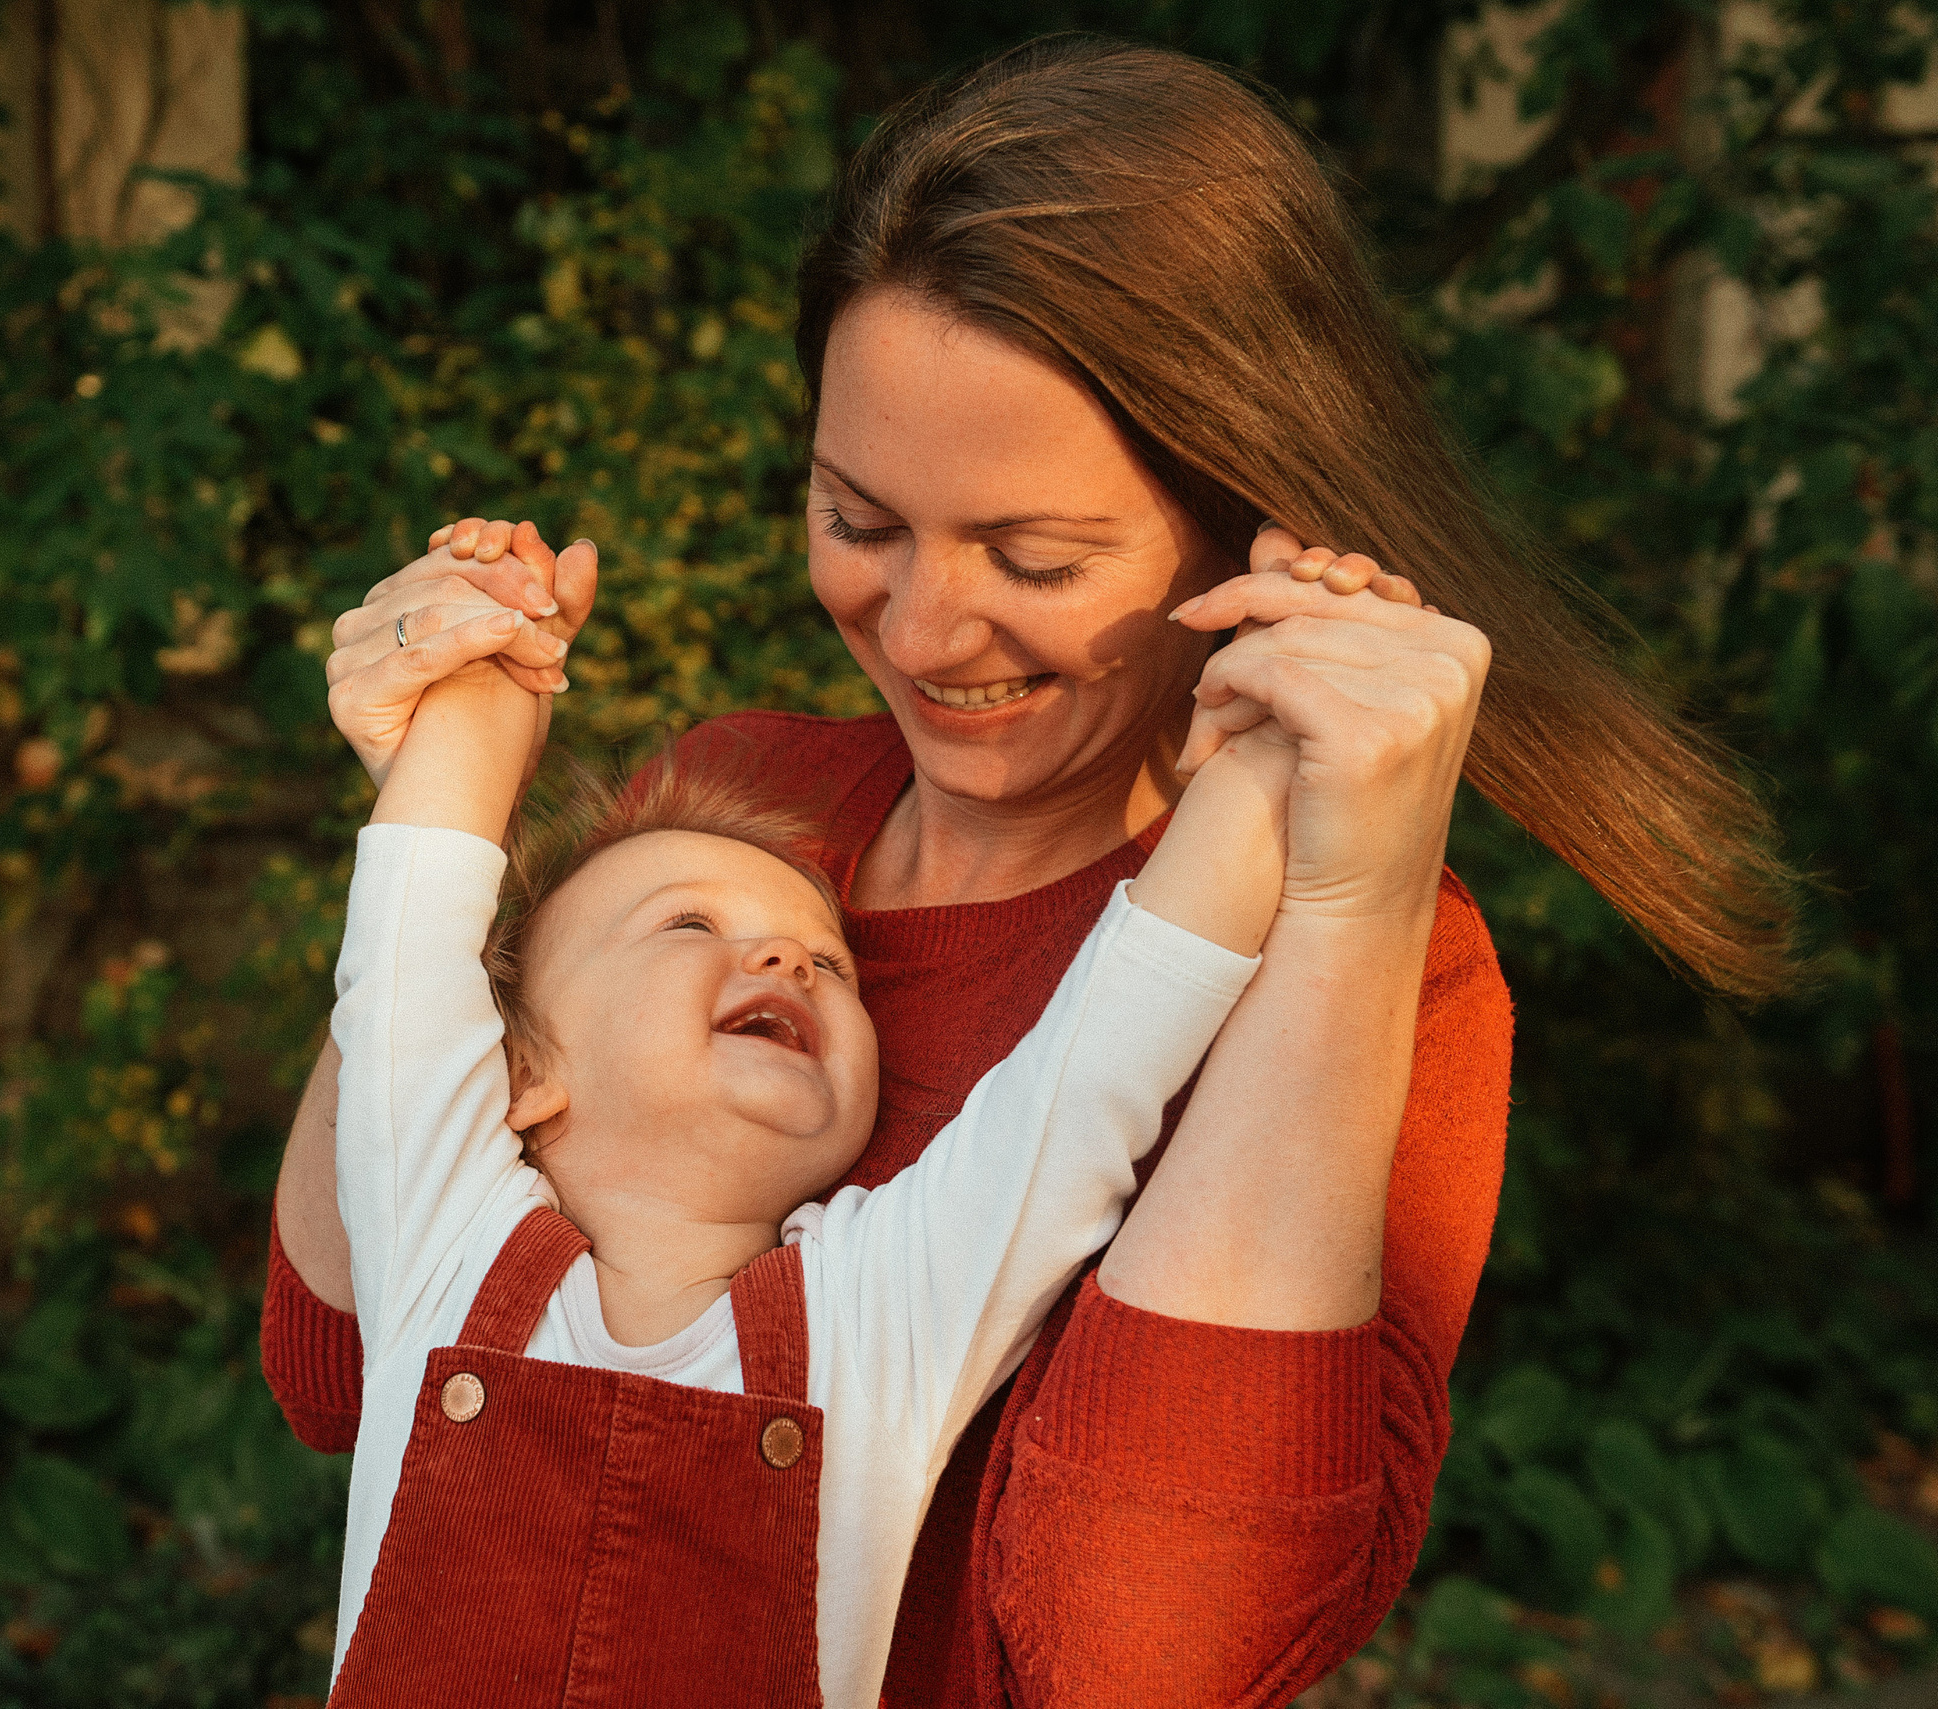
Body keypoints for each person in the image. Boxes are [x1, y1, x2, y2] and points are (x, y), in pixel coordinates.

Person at [268, 35, 1798, 1706]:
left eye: (1036, 556)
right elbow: (347, 1368)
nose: (921, 632)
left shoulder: (1376, 962)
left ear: (1239, 524)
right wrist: (424, 819)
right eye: (861, 519)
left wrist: (1335, 885)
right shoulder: (737, 807)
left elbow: (1141, 1648)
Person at [319, 514, 1321, 1704]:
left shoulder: (879, 1307)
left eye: (826, 962)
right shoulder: (439, 1234)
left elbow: (1103, 1056)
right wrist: (489, 652)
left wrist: (1276, 734)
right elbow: (411, 929)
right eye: (691, 924)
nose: (789, 964)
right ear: (522, 1069)